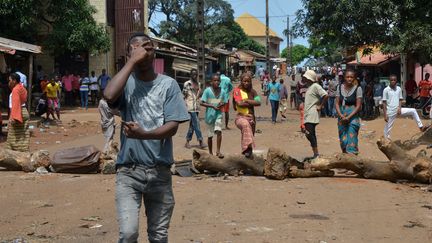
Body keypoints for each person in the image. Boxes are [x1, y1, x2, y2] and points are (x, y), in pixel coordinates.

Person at [104, 32, 189, 243]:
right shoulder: (126, 84)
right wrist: (131, 62)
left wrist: (145, 134)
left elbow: (172, 127)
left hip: (159, 172)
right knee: (128, 233)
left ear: (155, 52)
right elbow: (108, 95)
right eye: (136, 47)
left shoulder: (168, 85)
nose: (143, 50)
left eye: (147, 46)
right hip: (129, 172)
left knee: (158, 236)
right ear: (129, 54)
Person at [383, 75, 428, 140]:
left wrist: (399, 108)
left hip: (398, 109)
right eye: (391, 80)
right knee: (387, 128)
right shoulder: (386, 90)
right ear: (389, 81)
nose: (393, 81)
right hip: (390, 112)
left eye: (394, 80)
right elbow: (384, 102)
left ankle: (421, 127)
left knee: (413, 111)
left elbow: (400, 99)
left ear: (396, 81)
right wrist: (385, 115)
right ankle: (386, 140)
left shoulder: (398, 88)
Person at [233, 73, 261, 157]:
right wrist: (252, 103)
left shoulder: (253, 91)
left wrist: (247, 101)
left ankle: (248, 152)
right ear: (241, 81)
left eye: (248, 81)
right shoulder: (237, 91)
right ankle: (246, 149)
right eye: (244, 81)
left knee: (249, 135)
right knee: (245, 125)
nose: (246, 83)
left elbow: (258, 102)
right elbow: (239, 104)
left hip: (251, 118)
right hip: (240, 117)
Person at [335, 70, 363, 154]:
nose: (349, 79)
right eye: (347, 77)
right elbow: (336, 103)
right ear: (344, 77)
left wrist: (348, 117)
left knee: (352, 137)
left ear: (354, 78)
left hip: (353, 117)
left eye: (351, 77)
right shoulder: (339, 87)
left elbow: (358, 106)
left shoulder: (358, 88)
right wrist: (341, 116)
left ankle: (352, 158)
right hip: (341, 117)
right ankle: (345, 156)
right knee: (343, 139)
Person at [201, 74, 227, 158]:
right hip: (209, 117)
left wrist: (222, 103)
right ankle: (210, 152)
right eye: (215, 80)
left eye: (218, 80)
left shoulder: (222, 91)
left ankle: (218, 151)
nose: (217, 82)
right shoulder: (207, 91)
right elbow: (202, 102)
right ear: (211, 82)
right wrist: (212, 106)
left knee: (219, 131)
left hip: (218, 115)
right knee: (210, 136)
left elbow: (225, 101)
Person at [303, 70, 328, 158]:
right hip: (308, 114)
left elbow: (325, 95)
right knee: (309, 133)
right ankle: (315, 153)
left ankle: (316, 154)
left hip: (312, 113)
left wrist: (320, 106)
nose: (304, 78)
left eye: (305, 77)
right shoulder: (310, 87)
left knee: (310, 134)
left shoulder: (315, 86)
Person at [183, 69, 206, 149]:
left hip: (196, 106)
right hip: (190, 106)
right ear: (190, 75)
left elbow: (198, 94)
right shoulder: (187, 84)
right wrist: (185, 104)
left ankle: (187, 142)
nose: (194, 76)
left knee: (192, 125)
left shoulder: (198, 84)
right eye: (193, 74)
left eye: (196, 74)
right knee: (196, 123)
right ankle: (201, 141)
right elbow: (184, 95)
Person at [6, 73, 29, 152]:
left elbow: (15, 105)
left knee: (13, 137)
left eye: (10, 80)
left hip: (18, 113)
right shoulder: (22, 88)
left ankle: (14, 156)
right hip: (24, 111)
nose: (9, 82)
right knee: (23, 135)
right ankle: (24, 152)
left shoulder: (15, 90)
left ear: (14, 81)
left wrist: (13, 118)